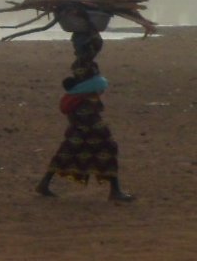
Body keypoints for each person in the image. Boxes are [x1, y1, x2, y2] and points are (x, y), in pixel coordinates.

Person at [35, 69, 135, 201]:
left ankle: (44, 183)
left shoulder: (73, 99)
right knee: (109, 151)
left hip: (77, 133)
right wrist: (104, 133)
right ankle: (115, 191)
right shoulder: (87, 98)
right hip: (88, 133)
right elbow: (91, 119)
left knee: (63, 156)